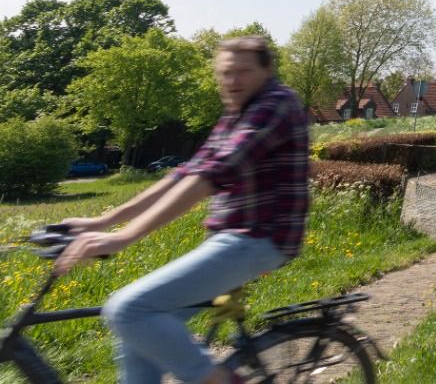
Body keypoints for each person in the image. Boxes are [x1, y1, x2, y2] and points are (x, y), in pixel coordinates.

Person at [54, 36, 310, 383]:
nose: (233, 81)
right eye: (225, 73)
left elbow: (213, 175)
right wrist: (104, 220)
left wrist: (123, 237)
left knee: (129, 310)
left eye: (244, 71)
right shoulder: (236, 112)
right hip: (231, 239)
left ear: (267, 71)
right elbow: (187, 173)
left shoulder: (276, 104)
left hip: (259, 240)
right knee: (138, 333)